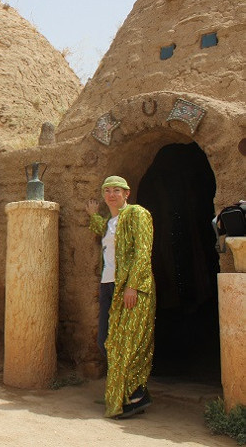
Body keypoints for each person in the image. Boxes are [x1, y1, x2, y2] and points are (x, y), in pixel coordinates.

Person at [86, 175, 156, 419]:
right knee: (105, 340)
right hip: (108, 286)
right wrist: (93, 214)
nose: (112, 194)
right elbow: (100, 229)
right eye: (107, 190)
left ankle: (137, 393)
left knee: (129, 342)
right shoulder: (109, 222)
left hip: (129, 286)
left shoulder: (137, 214)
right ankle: (124, 391)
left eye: (117, 190)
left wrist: (133, 285)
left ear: (127, 194)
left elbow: (143, 251)